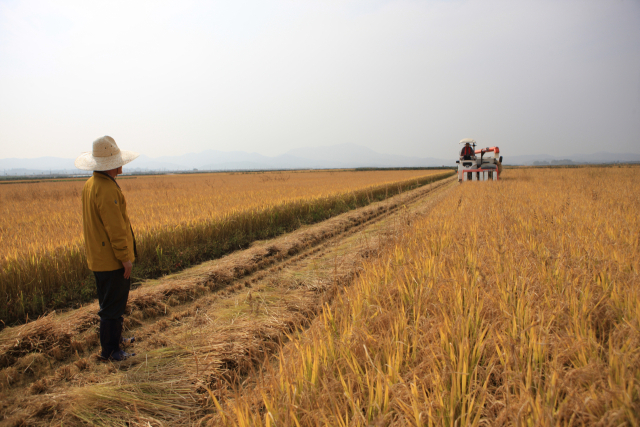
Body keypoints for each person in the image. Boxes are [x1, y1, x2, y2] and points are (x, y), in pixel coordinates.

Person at [75, 136, 139, 361]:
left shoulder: (91, 184)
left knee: (107, 303)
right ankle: (111, 352)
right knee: (113, 307)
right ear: (112, 163)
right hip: (112, 260)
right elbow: (116, 228)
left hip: (98, 258)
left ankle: (114, 341)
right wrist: (125, 258)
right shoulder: (107, 189)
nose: (122, 163)